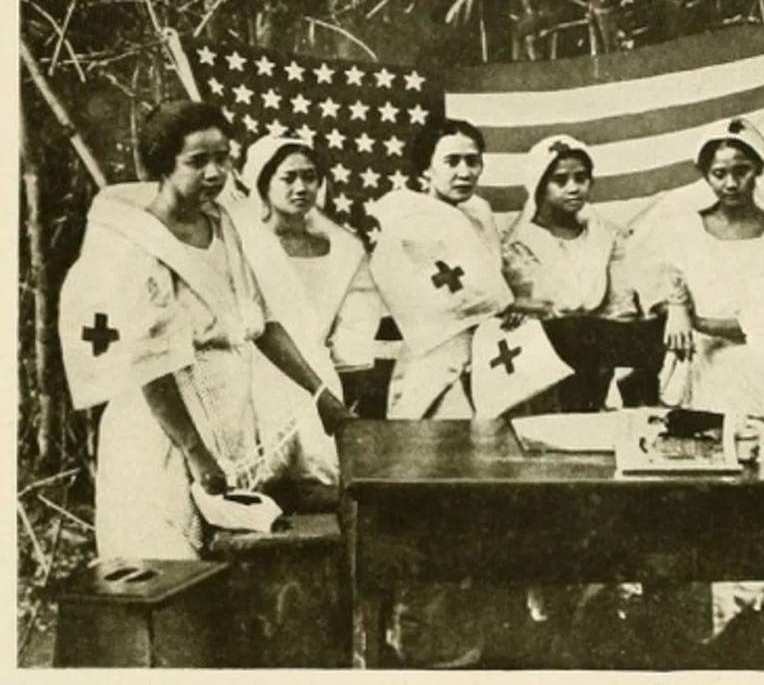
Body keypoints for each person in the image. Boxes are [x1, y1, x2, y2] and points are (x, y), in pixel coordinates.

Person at [58, 101, 349, 559]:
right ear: (163, 164)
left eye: (223, 158)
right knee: (168, 556)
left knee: (233, 558)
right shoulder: (137, 242)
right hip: (163, 428)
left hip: (225, 420)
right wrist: (196, 454)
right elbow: (147, 363)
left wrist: (320, 395)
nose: (215, 173)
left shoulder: (223, 223)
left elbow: (260, 320)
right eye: (197, 162)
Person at [635, 117, 764, 417]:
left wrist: (700, 322)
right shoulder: (687, 228)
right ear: (706, 176)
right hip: (706, 366)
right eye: (719, 174)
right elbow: (660, 274)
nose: (731, 184)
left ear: (758, 170)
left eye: (742, 171)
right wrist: (676, 307)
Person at [231, 134, 380, 501]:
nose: (301, 187)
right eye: (289, 177)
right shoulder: (243, 243)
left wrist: (341, 380)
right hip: (254, 371)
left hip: (319, 374)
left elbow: (355, 323)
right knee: (261, 479)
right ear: (263, 182)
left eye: (310, 177)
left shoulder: (344, 250)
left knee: (324, 478)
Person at [368, 116, 537, 420]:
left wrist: (509, 306)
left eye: (472, 161)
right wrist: (496, 304)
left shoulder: (479, 212)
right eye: (452, 161)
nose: (464, 172)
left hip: (490, 349)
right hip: (437, 350)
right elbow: (424, 297)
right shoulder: (407, 218)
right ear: (427, 168)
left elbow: (494, 284)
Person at [501, 134, 645, 412]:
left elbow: (620, 308)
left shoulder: (607, 238)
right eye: (560, 180)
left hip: (598, 359)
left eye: (581, 178)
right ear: (539, 186)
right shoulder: (516, 246)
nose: (574, 188)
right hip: (539, 366)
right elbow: (521, 311)